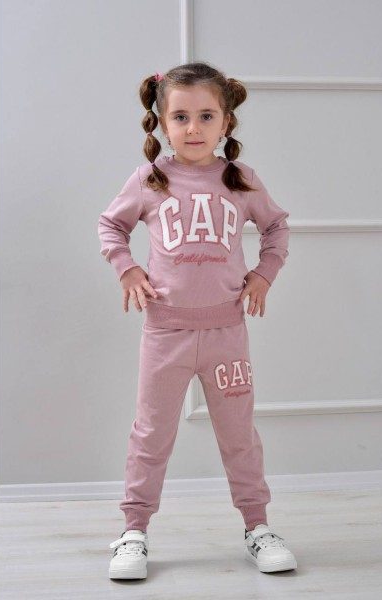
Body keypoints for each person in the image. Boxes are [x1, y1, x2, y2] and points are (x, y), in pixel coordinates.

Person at [98, 62, 297, 580]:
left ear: (226, 121)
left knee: (239, 434)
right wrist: (127, 268)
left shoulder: (240, 180)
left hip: (227, 334)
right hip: (165, 334)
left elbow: (276, 228)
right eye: (180, 117)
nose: (193, 128)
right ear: (162, 122)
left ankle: (258, 526)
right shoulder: (150, 179)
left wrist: (264, 275)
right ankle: (133, 531)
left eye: (206, 116)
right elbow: (111, 226)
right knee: (151, 434)